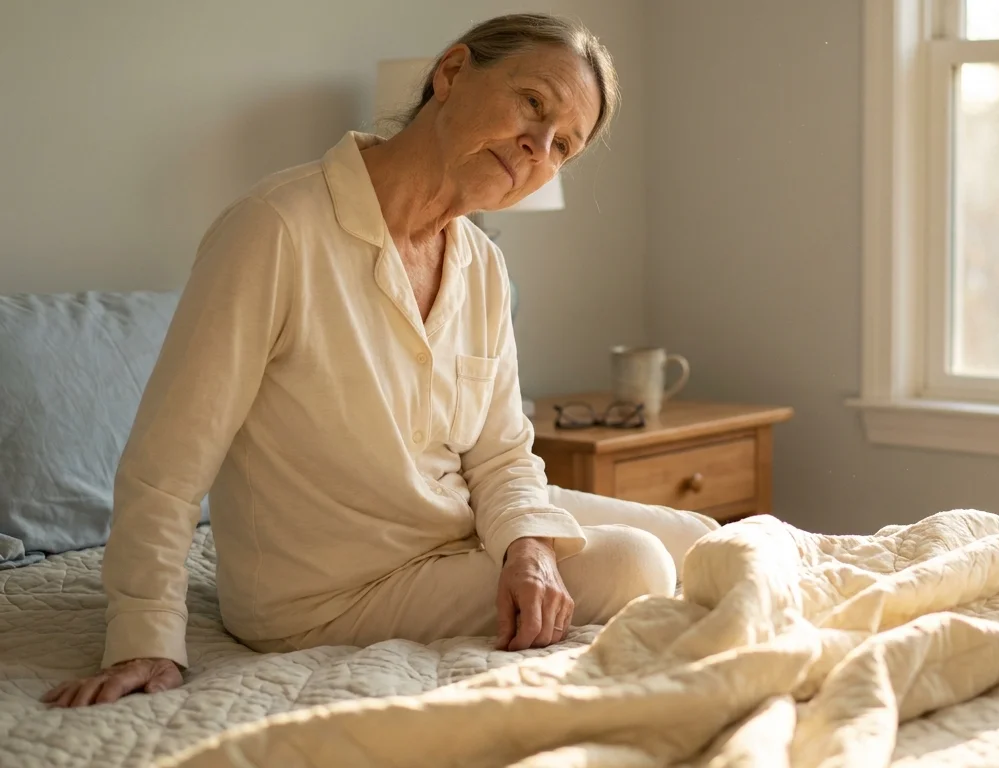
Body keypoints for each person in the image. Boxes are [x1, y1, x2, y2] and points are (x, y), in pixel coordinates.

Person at [43, 12, 717, 709]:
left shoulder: (482, 265)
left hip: (452, 532)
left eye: (562, 146)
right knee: (640, 561)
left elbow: (501, 454)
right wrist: (143, 637)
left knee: (699, 537)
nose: (537, 147)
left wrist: (527, 547)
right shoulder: (276, 228)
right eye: (533, 104)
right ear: (451, 73)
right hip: (326, 592)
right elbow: (169, 461)